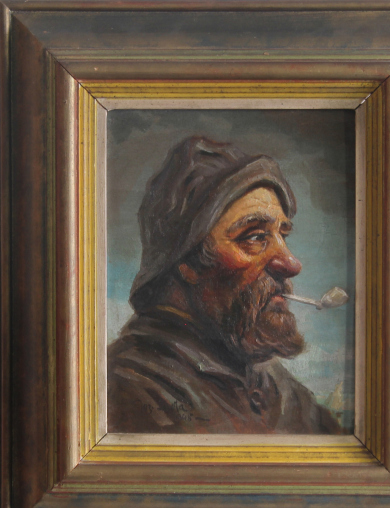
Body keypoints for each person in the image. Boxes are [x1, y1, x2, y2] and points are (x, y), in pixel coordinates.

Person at [107, 136, 341, 434]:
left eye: (283, 235)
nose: (291, 263)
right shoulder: (129, 387)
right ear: (187, 261)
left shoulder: (283, 392)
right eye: (255, 237)